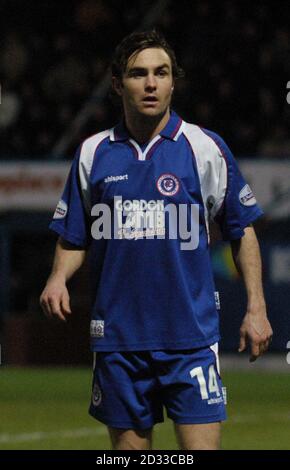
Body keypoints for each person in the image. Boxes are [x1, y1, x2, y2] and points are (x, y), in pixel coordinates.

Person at [40, 29, 273, 450]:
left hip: (191, 339)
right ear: (117, 84)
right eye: (138, 74)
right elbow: (74, 237)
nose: (151, 83)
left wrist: (256, 307)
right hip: (118, 341)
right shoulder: (94, 153)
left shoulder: (204, 148)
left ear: (172, 81)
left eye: (161, 73)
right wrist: (58, 278)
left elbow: (243, 229)